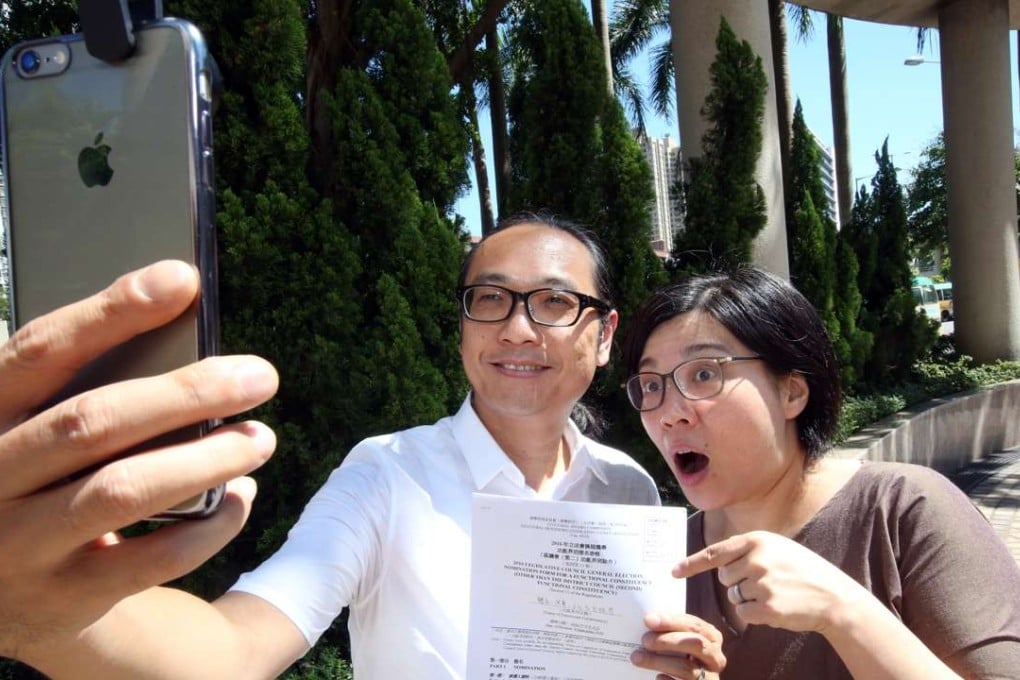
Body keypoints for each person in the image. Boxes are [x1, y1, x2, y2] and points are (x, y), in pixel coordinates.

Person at [0, 213, 724, 679]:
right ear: (465, 326)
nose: (517, 328)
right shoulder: (387, 475)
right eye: (490, 299)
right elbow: (235, 649)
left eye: (556, 303)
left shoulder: (626, 487)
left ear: (602, 337)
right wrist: (42, 614)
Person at [621, 267, 1020, 680]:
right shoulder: (666, 563)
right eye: (651, 385)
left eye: (703, 374)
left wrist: (841, 610)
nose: (669, 414)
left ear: (791, 391)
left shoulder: (904, 510)